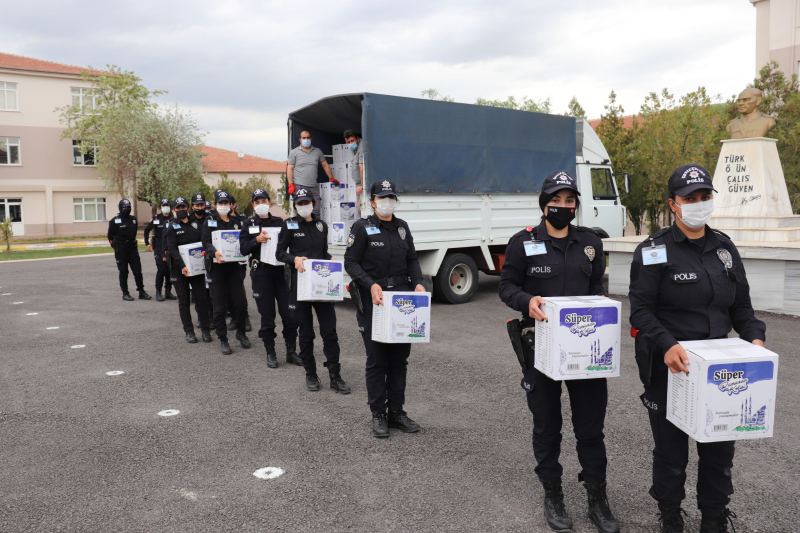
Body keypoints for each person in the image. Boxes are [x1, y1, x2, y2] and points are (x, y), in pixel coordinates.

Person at [629, 164, 766, 533]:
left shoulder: (724, 248)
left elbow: (741, 307)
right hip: (670, 365)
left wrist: (755, 339)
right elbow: (641, 310)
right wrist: (667, 344)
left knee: (719, 452)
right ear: (673, 204)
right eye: (690, 198)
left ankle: (714, 518)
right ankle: (671, 516)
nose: (699, 204)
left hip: (720, 369)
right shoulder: (654, 251)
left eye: (705, 196)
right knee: (672, 453)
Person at [498, 171, 618, 533]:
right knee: (547, 425)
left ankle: (597, 498)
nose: (563, 207)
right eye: (557, 200)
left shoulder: (590, 243)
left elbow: (596, 285)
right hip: (542, 348)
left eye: (570, 201)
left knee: (590, 428)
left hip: (586, 348)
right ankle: (553, 495)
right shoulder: (524, 242)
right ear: (543, 202)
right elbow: (506, 286)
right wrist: (528, 299)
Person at [344, 180, 426, 439]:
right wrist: (370, 285)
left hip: (402, 300)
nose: (387, 201)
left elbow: (412, 259)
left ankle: (397, 412)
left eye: (391, 197)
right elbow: (351, 262)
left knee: (399, 359)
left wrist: (419, 283)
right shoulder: (362, 227)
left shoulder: (402, 228)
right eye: (382, 197)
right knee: (378, 359)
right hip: (374, 301)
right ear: (372, 201)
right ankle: (378, 413)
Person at [275, 186, 350, 394]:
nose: (304, 206)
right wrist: (294, 259)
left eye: (306, 202)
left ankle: (335, 376)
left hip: (323, 287)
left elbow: (322, 252)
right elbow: (279, 253)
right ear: (295, 206)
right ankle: (311, 373)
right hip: (300, 287)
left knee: (330, 332)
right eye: (299, 203)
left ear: (313, 203)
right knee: (306, 333)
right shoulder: (288, 226)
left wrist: (330, 259)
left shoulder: (321, 225)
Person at [239, 188, 301, 368]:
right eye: (257, 202)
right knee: (267, 316)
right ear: (253, 205)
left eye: (264, 201)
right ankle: (270, 352)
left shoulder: (279, 222)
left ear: (269, 203)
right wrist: (255, 240)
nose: (261, 205)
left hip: (281, 274)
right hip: (262, 274)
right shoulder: (248, 223)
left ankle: (291, 351)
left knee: (289, 314)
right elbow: (243, 249)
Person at [202, 189, 252, 355]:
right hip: (216, 268)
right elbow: (206, 242)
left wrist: (244, 254)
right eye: (220, 203)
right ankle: (223, 338)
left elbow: (243, 241)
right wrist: (214, 252)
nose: (224, 206)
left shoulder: (237, 221)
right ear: (216, 205)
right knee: (219, 307)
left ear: (231, 205)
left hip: (233, 268)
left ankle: (241, 332)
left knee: (241, 303)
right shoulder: (210, 221)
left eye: (226, 203)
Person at [164, 196, 213, 344]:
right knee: (184, 300)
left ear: (188, 208)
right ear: (174, 210)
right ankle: (189, 331)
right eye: (178, 208)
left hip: (197, 269)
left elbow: (203, 243)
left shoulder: (196, 224)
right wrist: (182, 266)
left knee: (201, 299)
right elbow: (172, 249)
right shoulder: (172, 226)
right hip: (180, 269)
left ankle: (205, 329)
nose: (181, 210)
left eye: (183, 207)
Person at [107, 198, 151, 301]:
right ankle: (125, 293)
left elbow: (134, 233)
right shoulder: (114, 221)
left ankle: (141, 291)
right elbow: (110, 237)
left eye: (128, 207)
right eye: (125, 207)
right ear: (120, 208)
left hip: (132, 248)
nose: (127, 209)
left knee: (137, 271)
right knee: (123, 272)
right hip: (121, 249)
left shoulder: (133, 220)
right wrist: (116, 246)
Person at [287, 130, 335, 218]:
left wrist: (332, 178)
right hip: (299, 186)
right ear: (300, 140)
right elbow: (289, 168)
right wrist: (290, 184)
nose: (306, 139)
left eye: (308, 137)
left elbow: (325, 165)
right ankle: (301, 231)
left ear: (311, 139)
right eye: (304, 138)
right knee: (301, 211)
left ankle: (316, 230)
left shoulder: (317, 151)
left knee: (316, 210)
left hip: (313, 186)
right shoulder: (294, 152)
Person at [144, 198, 177, 302]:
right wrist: (147, 243)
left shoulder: (173, 218)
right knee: (161, 269)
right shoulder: (156, 218)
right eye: (163, 205)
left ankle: (168, 291)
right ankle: (158, 292)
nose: (165, 207)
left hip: (170, 244)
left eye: (167, 205)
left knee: (169, 269)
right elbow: (146, 230)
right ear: (160, 207)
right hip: (159, 245)